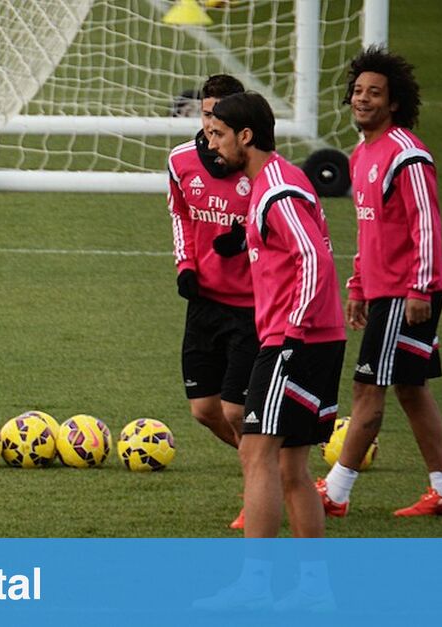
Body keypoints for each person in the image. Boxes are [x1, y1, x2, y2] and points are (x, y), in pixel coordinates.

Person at [319, 47, 442, 517]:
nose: (362, 99)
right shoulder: (361, 154)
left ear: (393, 102)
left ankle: (335, 494)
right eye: (358, 91)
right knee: (411, 388)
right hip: (385, 290)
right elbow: (369, 226)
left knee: (366, 392)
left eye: (374, 93)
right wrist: (358, 285)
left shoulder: (408, 154)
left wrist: (419, 289)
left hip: (406, 292)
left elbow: (427, 225)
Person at [205, 92, 346, 539]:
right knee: (291, 468)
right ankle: (313, 588)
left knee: (256, 453)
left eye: (218, 135)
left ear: (245, 136)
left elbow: (312, 258)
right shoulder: (279, 179)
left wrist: (292, 331)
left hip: (295, 339)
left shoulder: (277, 190)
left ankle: (256, 583)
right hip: (317, 337)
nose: (212, 145)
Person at [167, 74, 256, 529]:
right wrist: (186, 264)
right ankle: (270, 469)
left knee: (236, 410)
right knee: (204, 410)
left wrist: (245, 240)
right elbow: (180, 213)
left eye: (218, 117)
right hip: (204, 301)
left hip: (252, 306)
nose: (209, 125)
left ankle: (257, 493)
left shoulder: (259, 167)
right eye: (205, 115)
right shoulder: (181, 159)